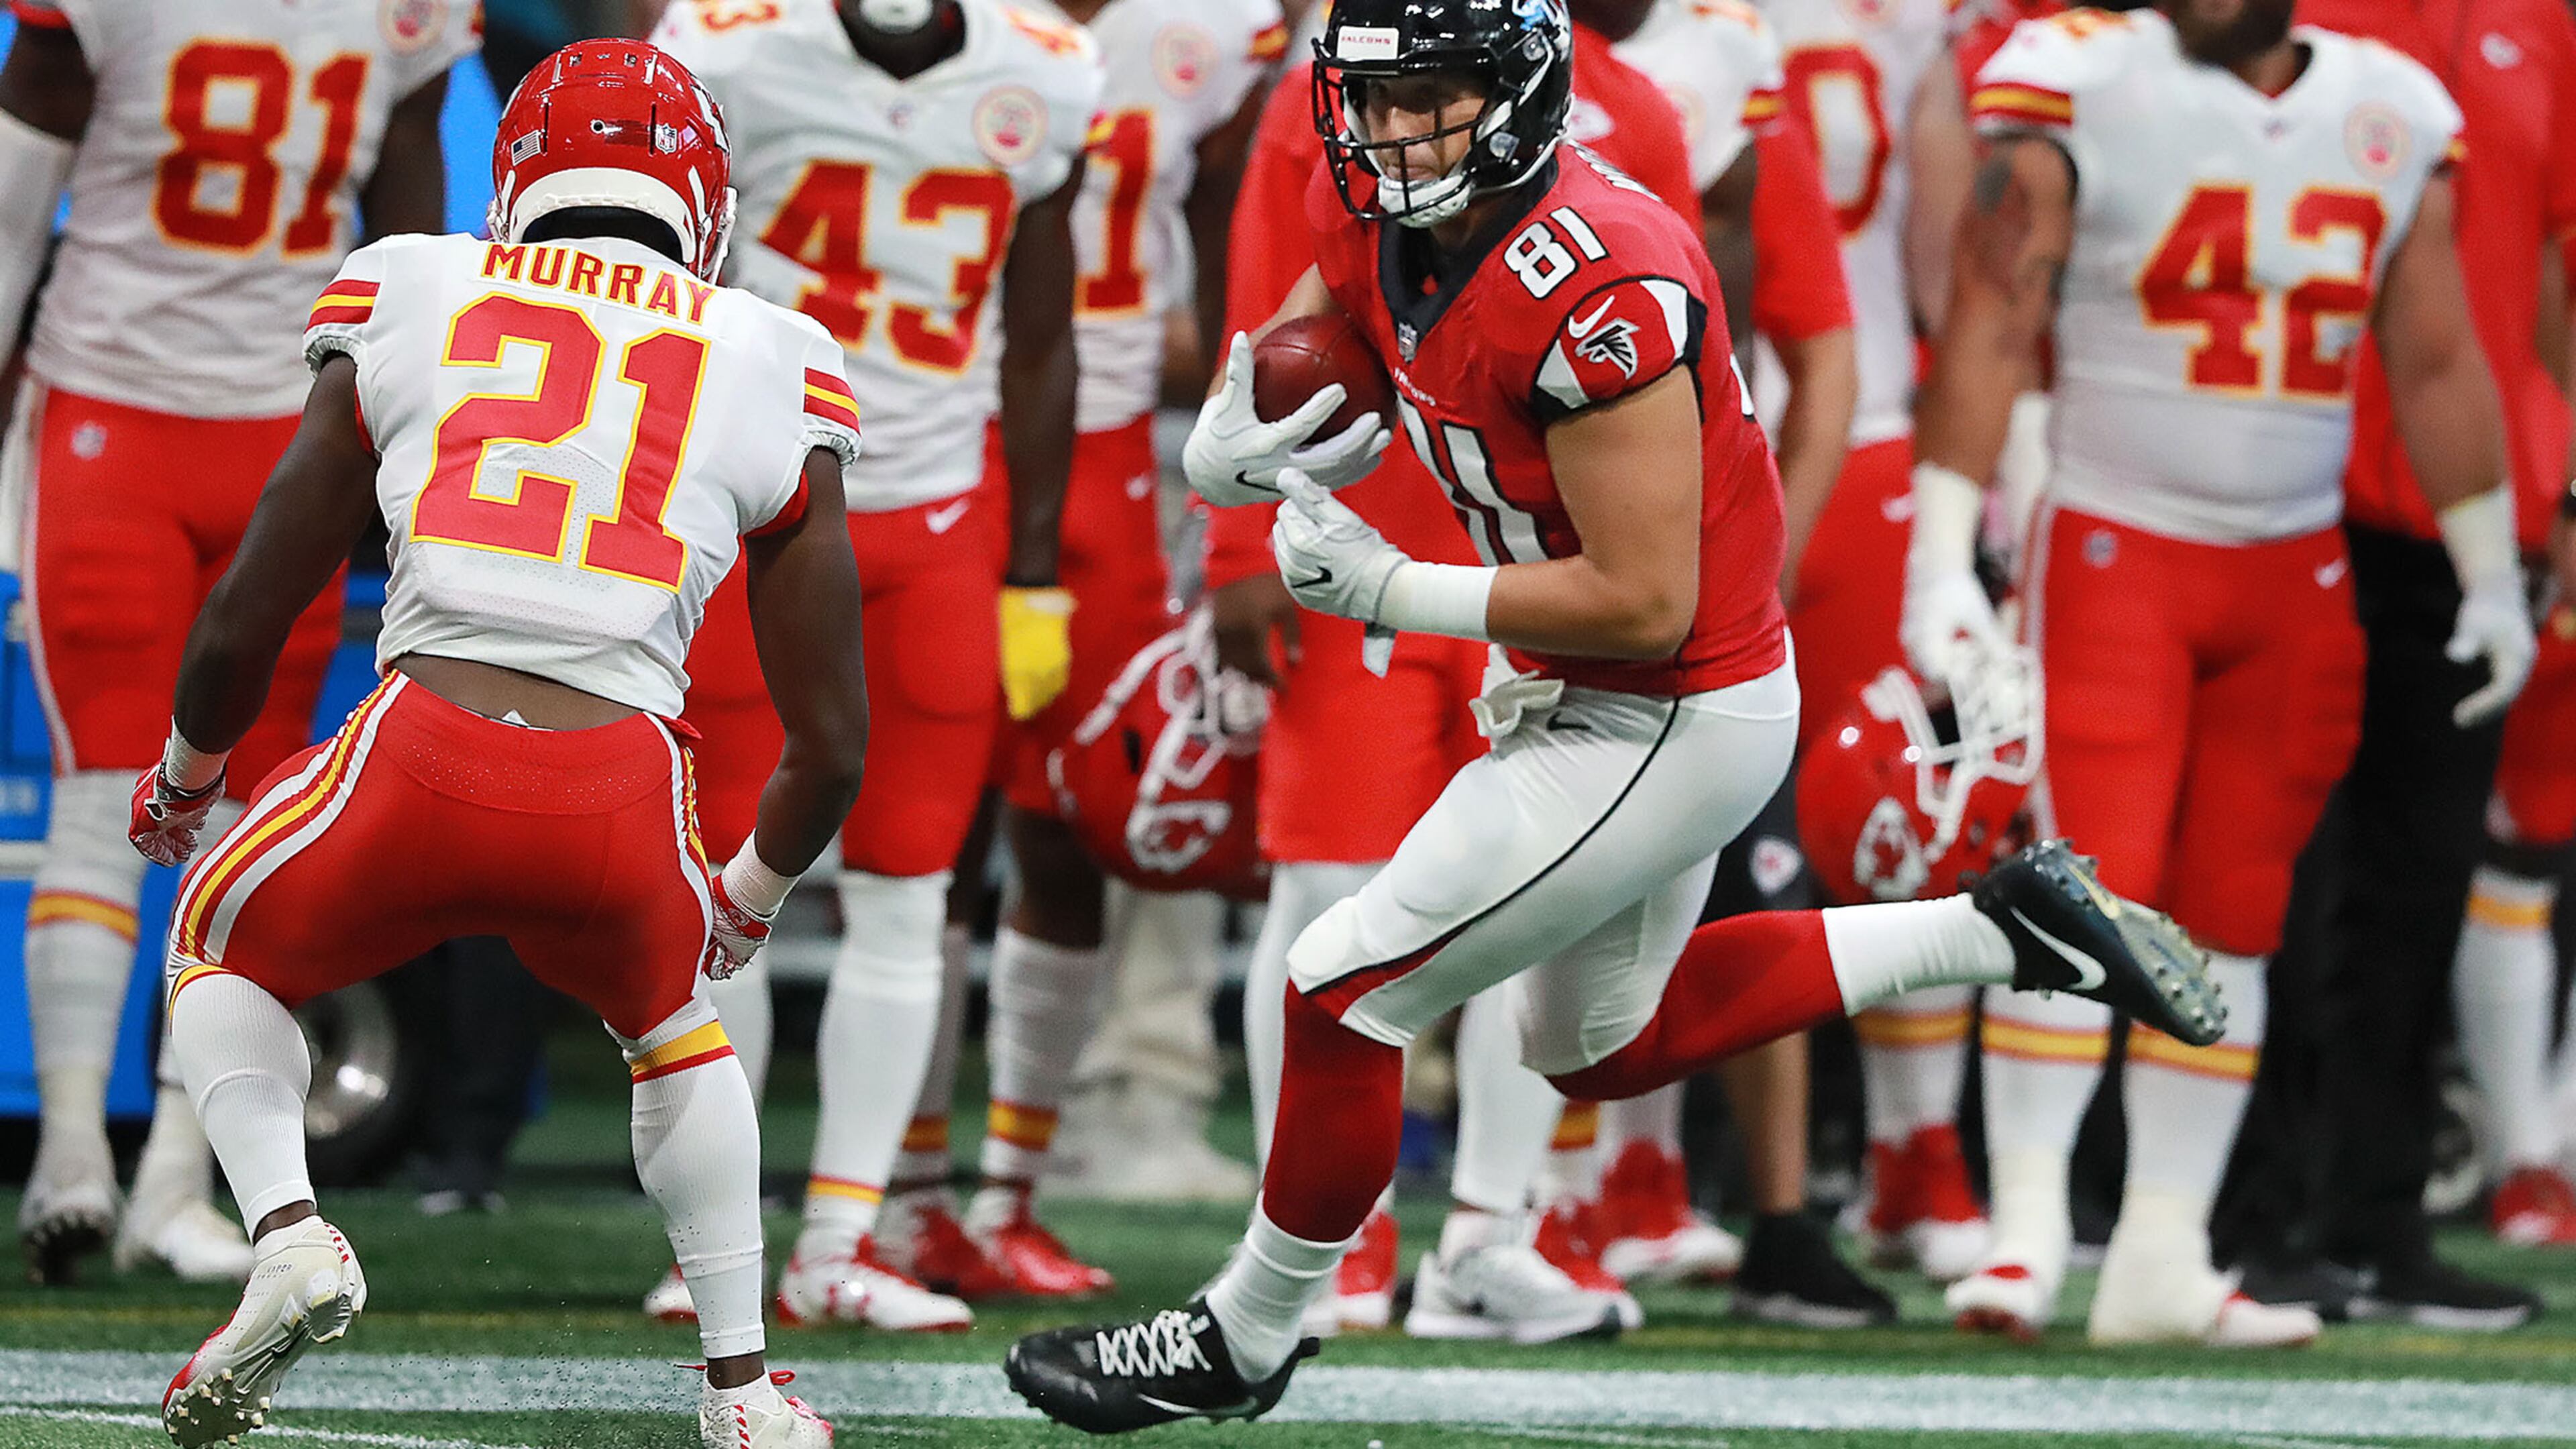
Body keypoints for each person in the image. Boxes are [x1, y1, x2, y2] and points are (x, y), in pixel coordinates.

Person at [1005, 0, 2223, 1429]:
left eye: (1433, 97)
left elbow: (1647, 600)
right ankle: (2002, 928)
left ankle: (1247, 1331)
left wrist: (1396, 591)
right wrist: (1234, 436)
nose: (1393, 132)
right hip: (1600, 689)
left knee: (1341, 980)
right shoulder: (1395, 211)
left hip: (1667, 708)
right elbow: (1314, 329)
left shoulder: (1602, 281)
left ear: (1517, 94)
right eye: (1376, 100)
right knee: (1602, 1047)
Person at [142, 40, 864, 1448]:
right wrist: (747, 903)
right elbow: (831, 741)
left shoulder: (415, 282)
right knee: (677, 1035)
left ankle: (289, 1229)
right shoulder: (780, 355)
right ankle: (742, 1390)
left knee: (219, 940)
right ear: (706, 201)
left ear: (517, 181)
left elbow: (253, 603)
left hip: (416, 750)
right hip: (620, 792)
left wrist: (188, 774)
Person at [1913, 0, 2531, 1346]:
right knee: (2088, 889)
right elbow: (1994, 307)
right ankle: (2025, 1236)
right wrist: (1942, 555)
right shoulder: (2078, 76)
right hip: (2118, 547)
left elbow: (2431, 357)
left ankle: (2162, 1254)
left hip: (2292, 572)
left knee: (2236, 915)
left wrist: (2489, 573)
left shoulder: (2392, 108)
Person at [0, 0, 474, 1287]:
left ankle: (163, 1180)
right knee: (115, 788)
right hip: (115, 405)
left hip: (291, 428)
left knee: (233, 821)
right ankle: (73, 1162)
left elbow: (411, 247)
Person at [649, 0, 1102, 1334]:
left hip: (941, 522)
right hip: (756, 513)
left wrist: (1032, 567)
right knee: (729, 892)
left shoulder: (1045, 71)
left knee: (911, 892)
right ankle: (717, 1242)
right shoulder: (725, 46)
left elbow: (1040, 334)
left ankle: (840, 1240)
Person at [871, 0, 1287, 1305]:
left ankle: (1008, 1197)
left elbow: (1241, 257)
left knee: (1076, 824)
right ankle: (904, 1195)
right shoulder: (933, 27)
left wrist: (1248, 461)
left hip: (1107, 450)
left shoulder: (1219, 30)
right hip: (937, 438)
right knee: (925, 836)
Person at [2261, 0, 2576, 1311]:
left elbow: (2560, 268)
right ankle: (2246, 1216)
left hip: (2471, 519)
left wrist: (2562, 481)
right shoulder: (2296, 19)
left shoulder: (2544, 25)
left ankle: (2378, 1215)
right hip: (2290, 495)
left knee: (2423, 876)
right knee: (2271, 867)